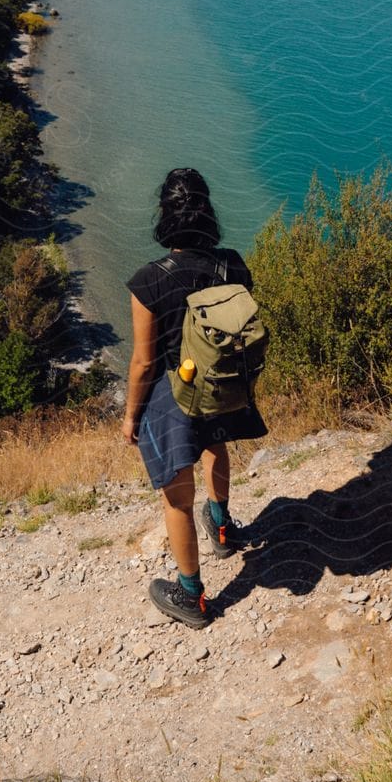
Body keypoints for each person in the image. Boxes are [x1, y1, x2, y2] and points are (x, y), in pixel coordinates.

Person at [122, 167, 267, 626]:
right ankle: (223, 529)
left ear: (164, 216)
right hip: (223, 387)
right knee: (215, 446)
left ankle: (192, 598)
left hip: (175, 393)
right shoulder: (233, 264)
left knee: (177, 500)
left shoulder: (148, 281)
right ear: (208, 213)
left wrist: (130, 417)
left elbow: (144, 363)